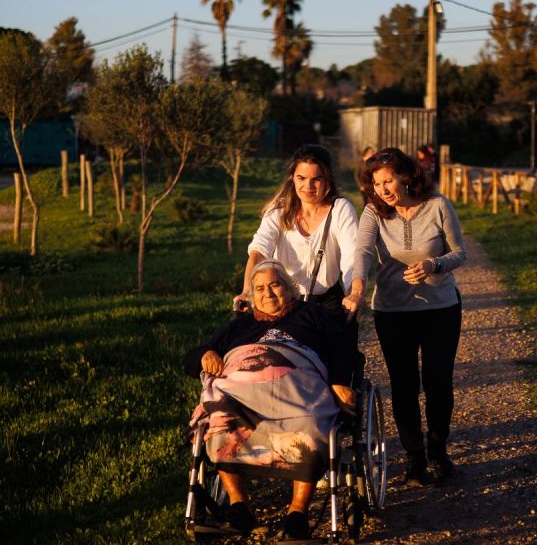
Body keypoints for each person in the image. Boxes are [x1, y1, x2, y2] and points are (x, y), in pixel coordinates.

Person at [186, 259, 358, 540]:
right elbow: (197, 353)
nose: (267, 293)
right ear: (252, 295)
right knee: (219, 417)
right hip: (240, 390)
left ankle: (297, 514)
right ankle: (239, 506)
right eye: (260, 288)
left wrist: (339, 381)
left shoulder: (313, 314)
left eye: (274, 285)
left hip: (298, 388)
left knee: (313, 421)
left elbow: (344, 348)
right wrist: (206, 355)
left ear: (289, 288)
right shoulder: (240, 325)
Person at [343, 147, 466, 487]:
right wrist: (356, 290)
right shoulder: (373, 213)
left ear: (407, 177)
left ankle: (438, 449)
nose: (382, 189)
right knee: (404, 386)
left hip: (440, 309)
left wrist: (434, 265)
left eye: (388, 181)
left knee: (439, 383)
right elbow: (363, 251)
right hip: (393, 312)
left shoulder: (438, 205)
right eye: (376, 183)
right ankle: (415, 457)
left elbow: (460, 252)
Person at [237, 144, 358, 316]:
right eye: (301, 178)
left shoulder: (340, 209)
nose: (308, 186)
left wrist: (353, 292)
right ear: (292, 178)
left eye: (316, 179)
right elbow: (259, 252)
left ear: (327, 180)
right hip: (284, 301)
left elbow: (352, 258)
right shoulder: (277, 211)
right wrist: (246, 292)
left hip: (327, 300)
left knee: (340, 340)